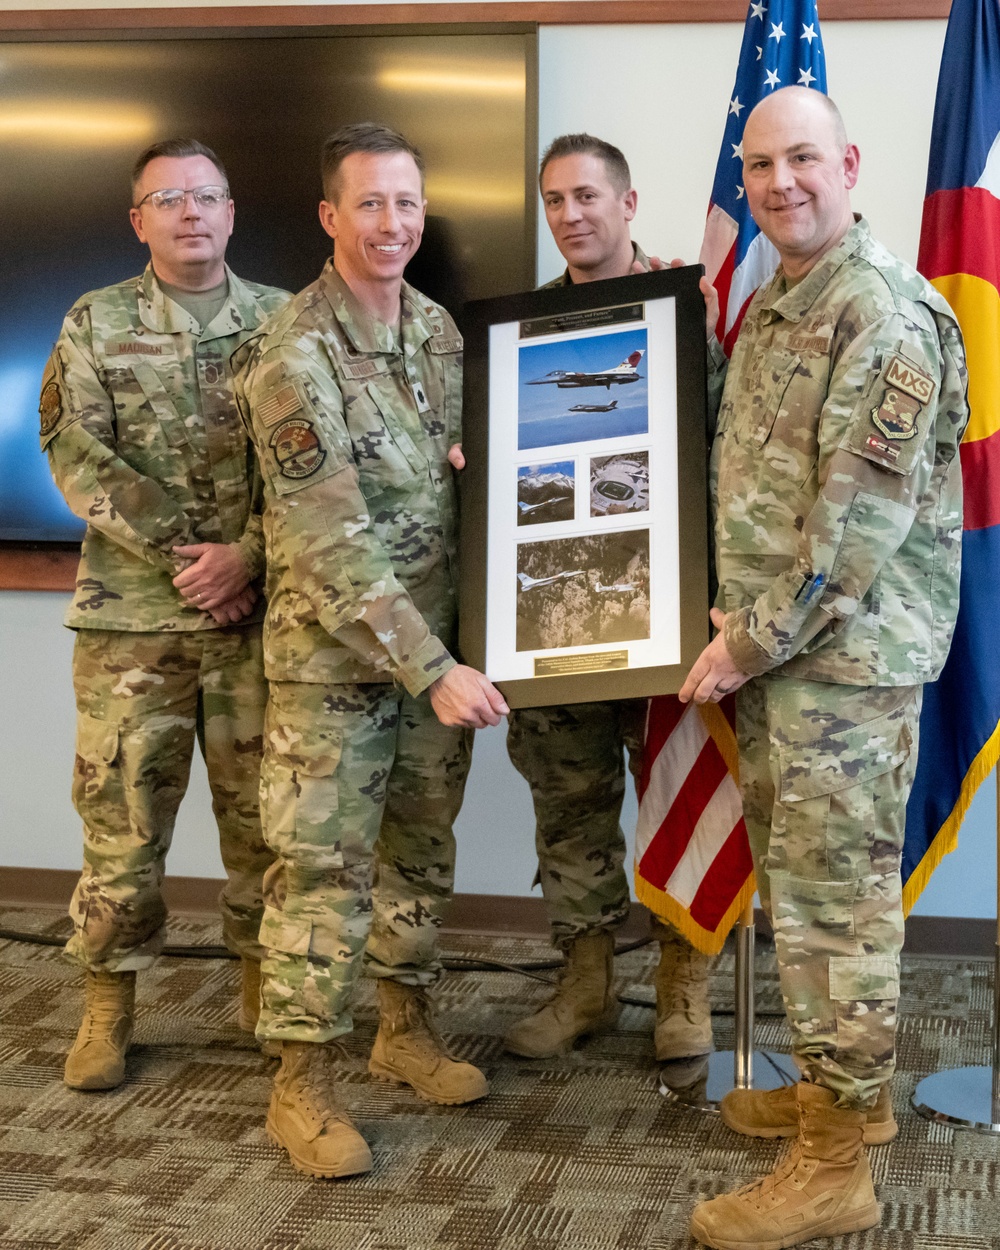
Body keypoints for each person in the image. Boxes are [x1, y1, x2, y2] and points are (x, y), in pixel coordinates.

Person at [679, 87, 968, 1249]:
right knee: (807, 894)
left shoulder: (885, 314)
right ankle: (844, 1096)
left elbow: (851, 535)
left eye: (801, 158)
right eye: (758, 166)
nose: (778, 182)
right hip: (785, 666)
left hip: (836, 667)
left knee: (832, 911)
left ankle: (836, 1162)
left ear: (847, 161)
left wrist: (740, 642)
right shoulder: (785, 299)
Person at [237, 122, 509, 1179]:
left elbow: (462, 474)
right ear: (329, 216)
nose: (392, 223)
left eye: (407, 202)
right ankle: (299, 1086)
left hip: (435, 657)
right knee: (321, 873)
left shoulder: (439, 332)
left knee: (418, 859)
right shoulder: (293, 353)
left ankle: (402, 1029)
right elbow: (324, 539)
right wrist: (433, 668)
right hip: (342, 667)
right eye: (369, 203)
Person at [40, 138, 291, 1091]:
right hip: (131, 627)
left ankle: (267, 995)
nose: (191, 212)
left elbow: (319, 468)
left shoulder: (288, 323)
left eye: (209, 196)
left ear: (232, 213)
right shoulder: (94, 323)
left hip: (260, 620)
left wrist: (248, 558)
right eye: (169, 198)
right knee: (122, 824)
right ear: (138, 219)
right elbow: (76, 457)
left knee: (269, 827)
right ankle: (107, 1007)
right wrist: (196, 557)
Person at [502, 133, 714, 1072]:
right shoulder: (517, 333)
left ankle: (684, 986)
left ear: (628, 205)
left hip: (667, 609)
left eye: (587, 196)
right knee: (569, 800)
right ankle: (586, 981)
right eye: (554, 200)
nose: (570, 215)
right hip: (556, 609)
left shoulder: (691, 309)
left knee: (673, 787)